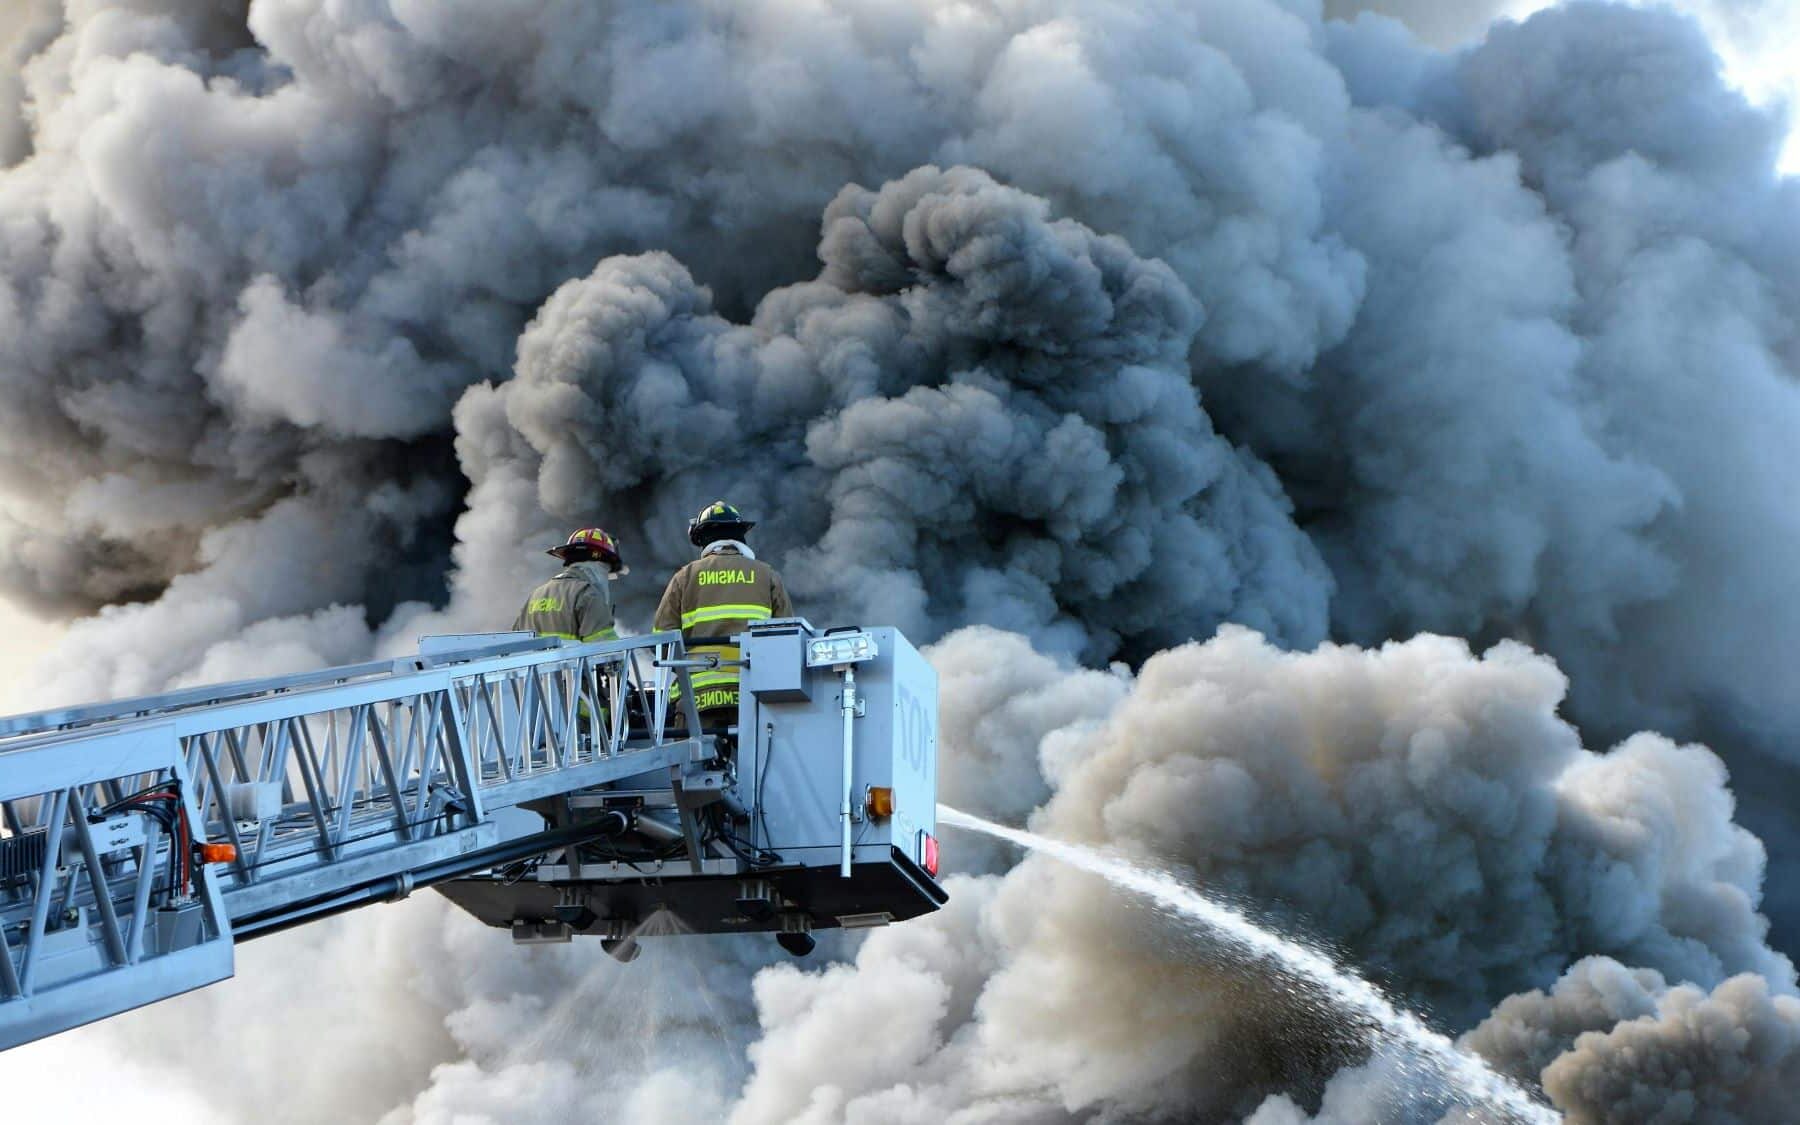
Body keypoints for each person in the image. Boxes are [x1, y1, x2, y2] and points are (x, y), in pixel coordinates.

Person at [654, 500, 792, 722]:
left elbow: (662, 644)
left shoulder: (684, 577)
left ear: (702, 540)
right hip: (752, 693)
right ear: (741, 536)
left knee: (696, 756)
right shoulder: (767, 575)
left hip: (696, 697)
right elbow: (786, 639)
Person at [514, 527, 627, 643]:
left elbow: (514, 644)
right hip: (570, 662)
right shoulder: (588, 595)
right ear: (599, 565)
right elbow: (608, 652)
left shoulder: (535, 595)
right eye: (606, 572)